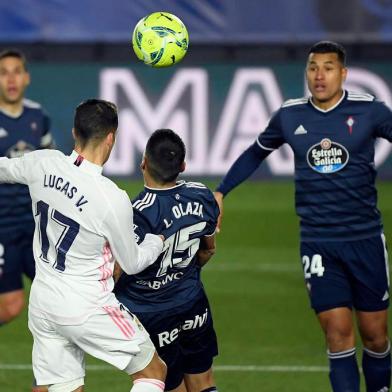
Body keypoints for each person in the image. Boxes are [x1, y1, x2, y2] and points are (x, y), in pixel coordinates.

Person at [214, 41, 392, 392]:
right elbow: (255, 153)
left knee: (375, 336)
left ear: (343, 73)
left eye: (328, 67)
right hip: (318, 242)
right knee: (337, 335)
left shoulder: (370, 111)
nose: (319, 75)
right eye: (313, 67)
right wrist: (221, 191)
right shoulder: (290, 115)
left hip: (365, 239)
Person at [0, 99, 167, 392]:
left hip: (44, 303)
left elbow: (4, 169)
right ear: (111, 138)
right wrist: (157, 241)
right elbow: (132, 263)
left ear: (75, 133)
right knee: (152, 372)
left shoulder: (42, 162)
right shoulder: (111, 198)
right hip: (87, 307)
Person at [114, 129, 220, 392]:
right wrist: (180, 276)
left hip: (151, 314)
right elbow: (208, 250)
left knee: (167, 385)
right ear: (183, 166)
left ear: (143, 163)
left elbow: (119, 269)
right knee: (204, 382)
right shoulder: (202, 195)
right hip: (193, 304)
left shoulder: (135, 212)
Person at [0, 49, 55, 326]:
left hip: (36, 227)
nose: (11, 79)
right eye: (3, 72)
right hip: (2, 228)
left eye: (16, 71)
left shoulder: (38, 116)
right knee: (10, 307)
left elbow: (51, 164)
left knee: (59, 295)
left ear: (27, 78)